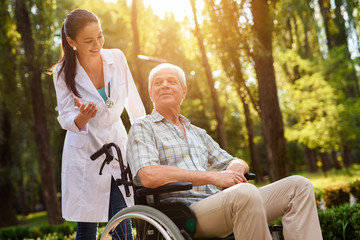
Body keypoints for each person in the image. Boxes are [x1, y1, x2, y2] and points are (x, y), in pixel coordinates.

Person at [126, 63, 323, 240]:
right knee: (244, 193)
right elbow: (148, 175)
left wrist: (234, 171)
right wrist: (214, 177)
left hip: (221, 204)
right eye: (158, 82)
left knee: (299, 186)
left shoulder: (197, 133)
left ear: (184, 91)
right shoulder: (143, 127)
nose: (165, 85)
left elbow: (236, 161)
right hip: (182, 214)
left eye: (172, 81)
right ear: (151, 93)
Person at [50, 9, 145, 240]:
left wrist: (144, 140)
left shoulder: (117, 58)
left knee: (123, 218)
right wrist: (82, 117)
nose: (98, 44)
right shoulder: (63, 72)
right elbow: (65, 117)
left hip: (117, 147)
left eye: (100, 36)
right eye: (89, 40)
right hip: (86, 153)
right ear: (71, 42)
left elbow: (134, 105)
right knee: (87, 228)